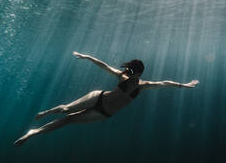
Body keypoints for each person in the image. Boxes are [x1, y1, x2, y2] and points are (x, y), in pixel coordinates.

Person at [14, 51, 199, 146]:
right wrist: (87, 57)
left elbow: (165, 83)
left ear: (141, 73)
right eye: (130, 71)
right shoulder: (122, 76)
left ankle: (33, 133)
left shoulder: (144, 85)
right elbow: (103, 65)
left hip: (104, 112)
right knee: (65, 110)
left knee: (68, 121)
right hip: (98, 97)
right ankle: (47, 112)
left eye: (134, 72)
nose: (130, 74)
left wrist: (184, 85)